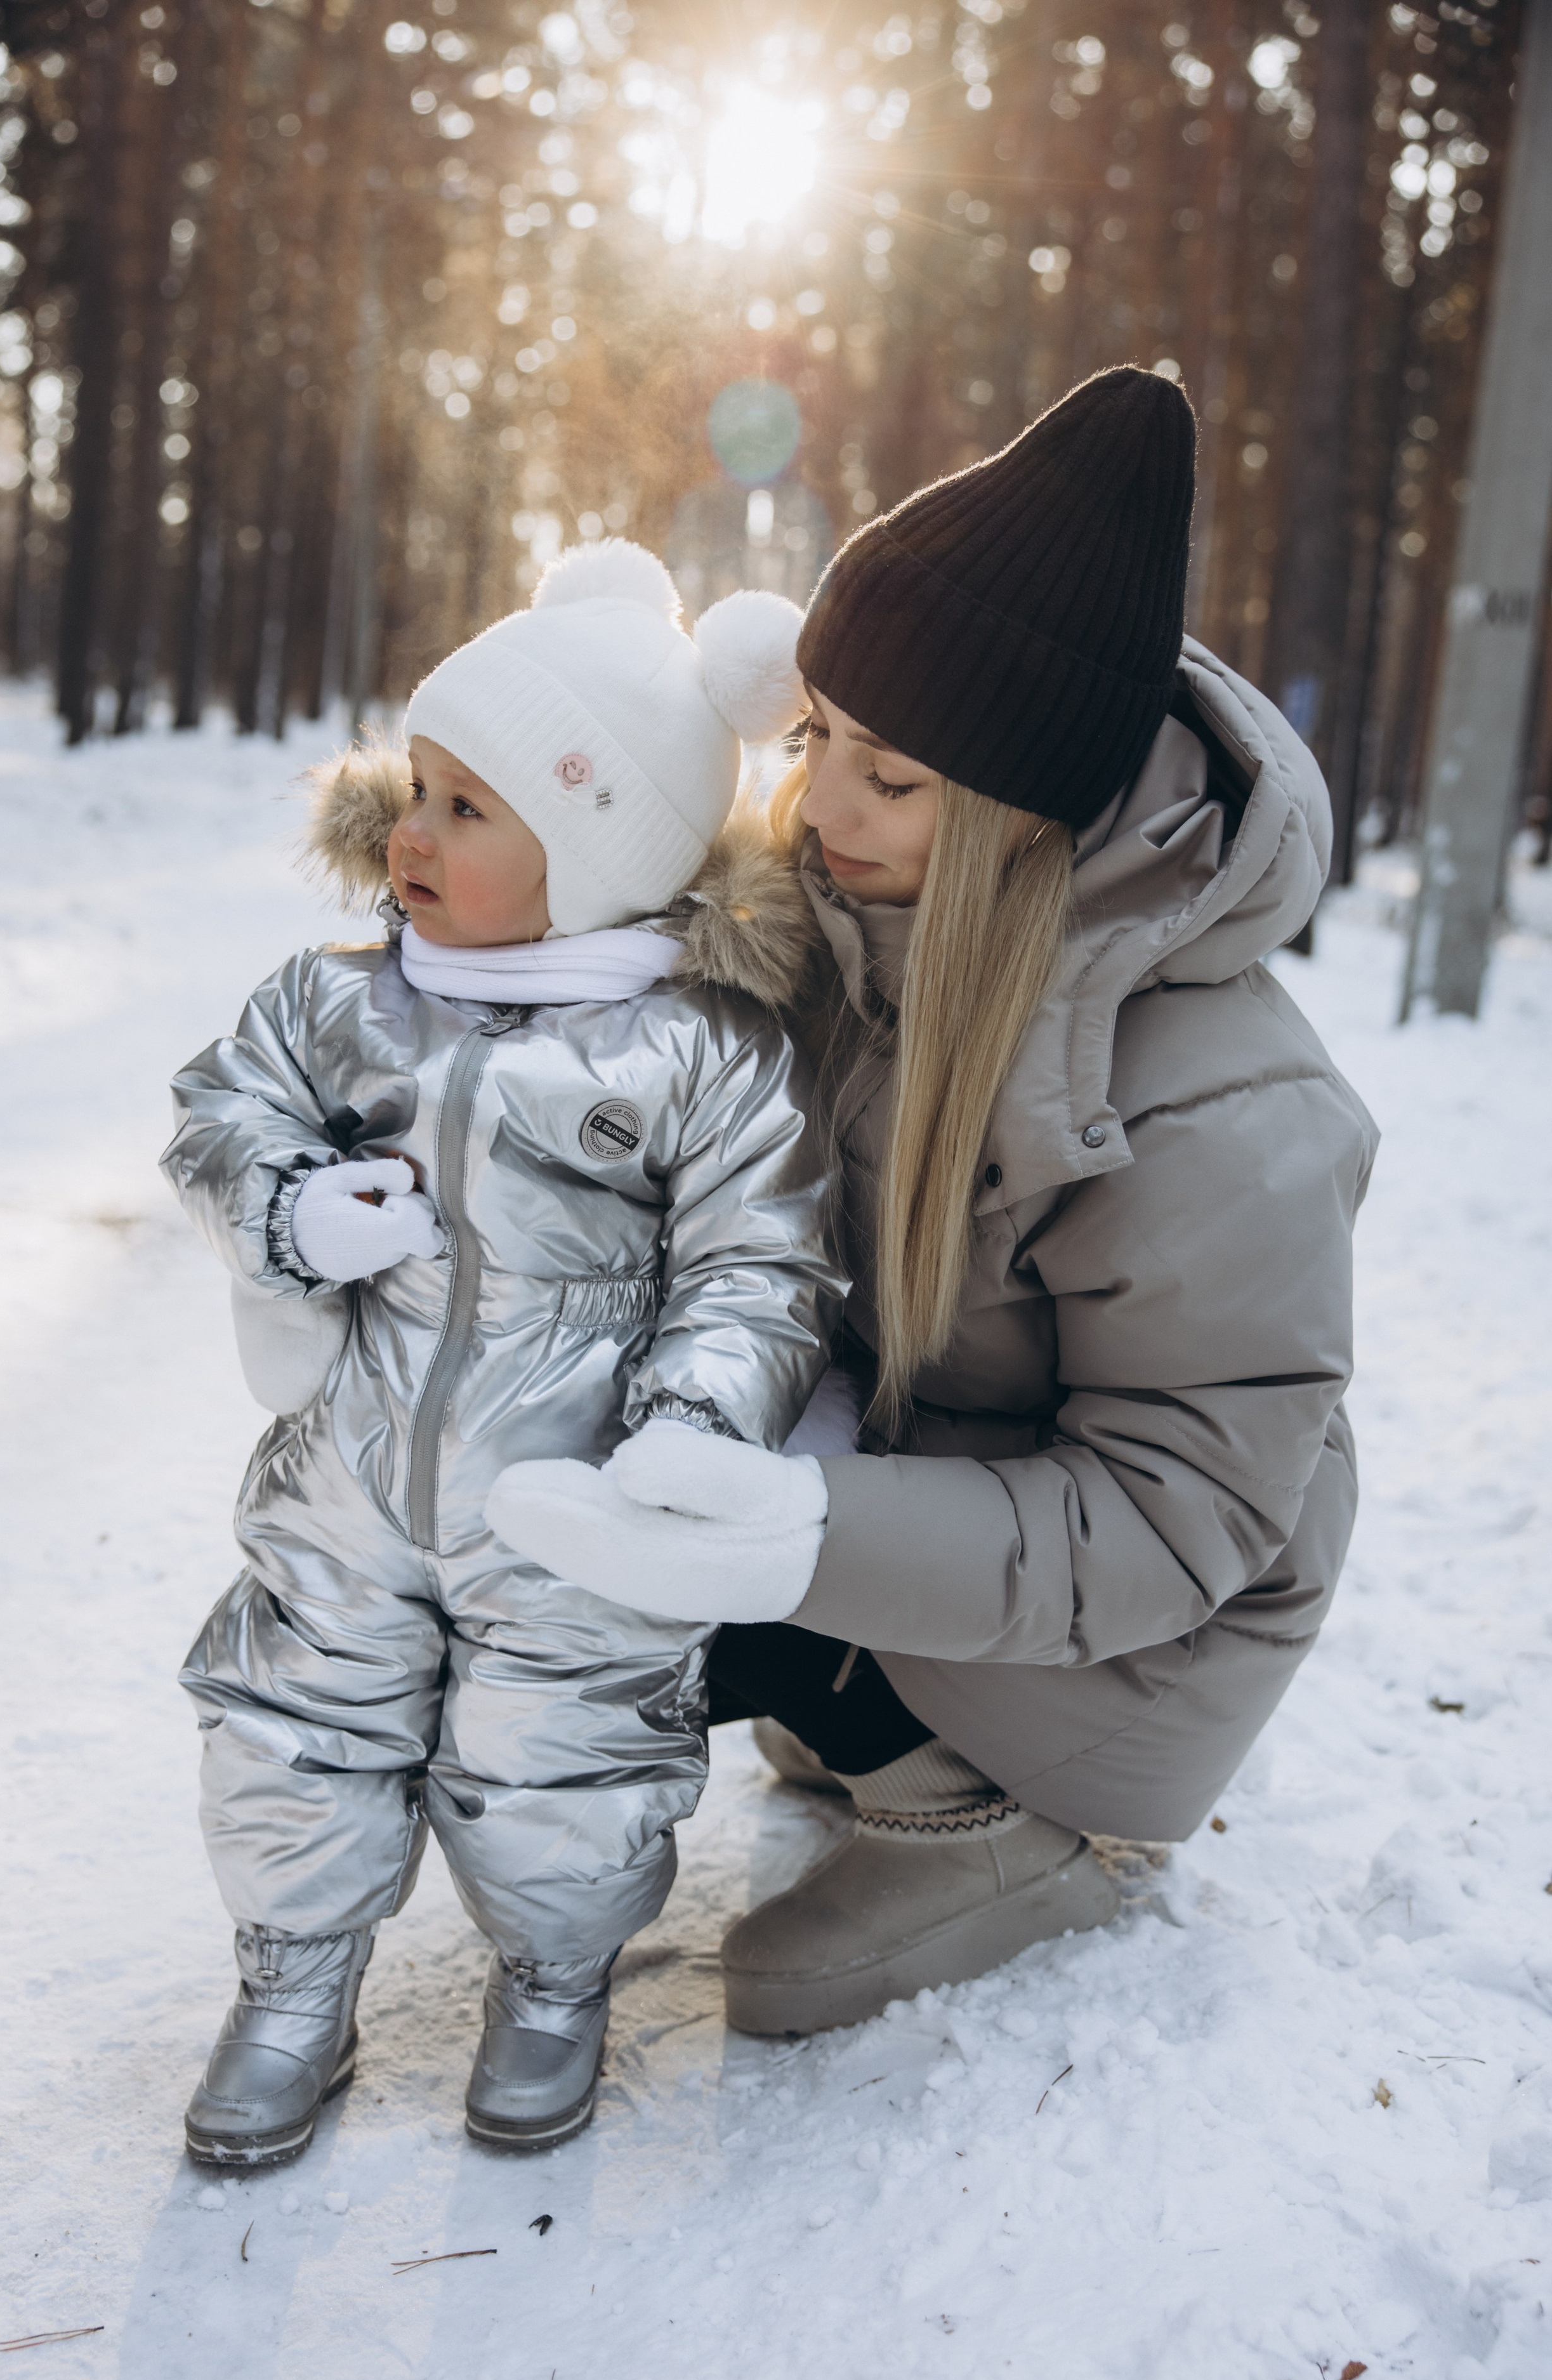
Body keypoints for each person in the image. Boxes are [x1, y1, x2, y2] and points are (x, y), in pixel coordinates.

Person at [489, 368, 1379, 2037]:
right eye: (817, 735)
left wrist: (805, 1536)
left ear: (1019, 814)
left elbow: (1172, 1521)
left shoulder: (1226, 1111)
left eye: (888, 778)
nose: (819, 812)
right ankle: (865, 1703)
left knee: (773, 1990)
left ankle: (1017, 1820)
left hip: (1127, 1652)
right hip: (929, 1486)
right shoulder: (850, 918)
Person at [162, 541, 843, 2162]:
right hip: (349, 1467)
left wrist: (690, 1428)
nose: (408, 833)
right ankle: (290, 1981)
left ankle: (550, 1975)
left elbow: (761, 1263)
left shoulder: (696, 1047)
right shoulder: (337, 1006)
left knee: (565, 1748)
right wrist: (289, 1205)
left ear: (601, 850)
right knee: (294, 1718)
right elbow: (218, 1111)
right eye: (417, 785)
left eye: (470, 811)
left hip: (573, 1491)